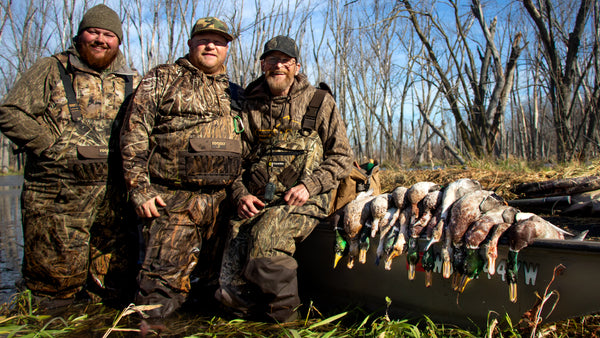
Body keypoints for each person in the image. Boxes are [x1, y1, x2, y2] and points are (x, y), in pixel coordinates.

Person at [0, 4, 140, 307]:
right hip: (57, 199)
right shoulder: (51, 69)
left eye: (109, 34)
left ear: (118, 42)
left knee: (112, 289)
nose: (101, 39)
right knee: (53, 290)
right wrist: (48, 144)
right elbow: (10, 112)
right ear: (80, 36)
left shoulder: (132, 80)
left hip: (112, 202)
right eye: (94, 32)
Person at [215, 35, 353, 322]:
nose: (278, 66)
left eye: (285, 61)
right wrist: (241, 195)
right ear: (262, 64)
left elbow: (342, 157)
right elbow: (235, 162)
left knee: (268, 237)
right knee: (231, 270)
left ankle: (283, 321)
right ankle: (248, 321)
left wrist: (309, 186)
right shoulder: (249, 107)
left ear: (296, 66)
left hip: (307, 195)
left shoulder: (319, 102)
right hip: (259, 197)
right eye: (272, 60)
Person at [120, 17, 244, 319]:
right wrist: (139, 188)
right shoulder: (162, 78)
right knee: (157, 296)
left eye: (218, 40)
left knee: (212, 296)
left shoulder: (236, 92)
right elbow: (134, 133)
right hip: (174, 200)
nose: (210, 45)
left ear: (227, 48)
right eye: (203, 39)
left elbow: (248, 150)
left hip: (222, 204)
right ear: (190, 43)